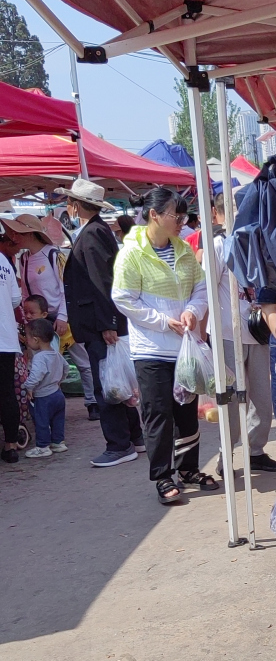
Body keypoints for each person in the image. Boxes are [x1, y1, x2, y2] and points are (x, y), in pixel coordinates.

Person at [112, 186, 214, 504]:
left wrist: (192, 311)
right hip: (151, 350)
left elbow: (201, 289)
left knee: (186, 410)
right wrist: (160, 321)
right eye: (176, 215)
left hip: (183, 348)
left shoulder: (183, 250)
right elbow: (123, 298)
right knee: (158, 413)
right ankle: (162, 476)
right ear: (154, 215)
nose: (181, 221)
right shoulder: (132, 253)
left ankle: (188, 469)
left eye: (183, 215)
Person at [59, 178, 144, 465]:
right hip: (101, 321)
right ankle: (133, 437)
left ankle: (120, 444)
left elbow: (102, 282)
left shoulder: (93, 234)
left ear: (75, 205)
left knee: (107, 384)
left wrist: (108, 322)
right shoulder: (95, 231)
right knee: (115, 380)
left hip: (100, 323)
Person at [204, 191, 276, 476]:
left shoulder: (252, 241)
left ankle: (255, 451)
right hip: (228, 333)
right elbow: (207, 291)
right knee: (232, 399)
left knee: (262, 399)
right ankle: (227, 455)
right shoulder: (217, 245)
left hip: (257, 331)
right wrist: (204, 336)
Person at [1, 212, 98, 419]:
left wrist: (63, 315)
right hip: (40, 321)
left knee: (82, 361)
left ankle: (92, 402)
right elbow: (24, 293)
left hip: (62, 318)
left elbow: (66, 288)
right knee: (43, 363)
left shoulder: (54, 255)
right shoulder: (24, 258)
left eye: (18, 232)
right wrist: (29, 319)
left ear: (29, 234)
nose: (14, 237)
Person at [21, 318, 69, 459]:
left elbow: (36, 375)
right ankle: (58, 442)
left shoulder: (39, 357)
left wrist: (28, 387)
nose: (26, 340)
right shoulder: (56, 354)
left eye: (28, 337)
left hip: (44, 396)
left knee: (42, 421)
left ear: (36, 340)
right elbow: (66, 368)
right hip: (58, 394)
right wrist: (60, 380)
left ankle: (42, 446)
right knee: (58, 420)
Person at [0, 224, 22, 462]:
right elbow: (16, 299)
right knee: (6, 393)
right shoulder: (5, 263)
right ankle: (11, 445)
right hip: (5, 338)